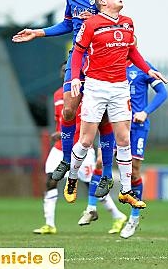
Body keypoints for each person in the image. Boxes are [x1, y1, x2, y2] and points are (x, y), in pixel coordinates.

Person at [12, 0, 116, 191]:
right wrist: (38, 33)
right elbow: (68, 24)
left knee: (105, 120)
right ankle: (67, 160)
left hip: (101, 60)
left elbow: (116, 25)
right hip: (77, 58)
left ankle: (107, 174)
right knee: (68, 110)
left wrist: (99, 21)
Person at [64, 0, 168, 210]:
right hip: (96, 86)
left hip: (119, 88)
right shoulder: (91, 24)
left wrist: (148, 71)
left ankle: (126, 190)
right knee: (85, 140)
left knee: (123, 140)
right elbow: (78, 52)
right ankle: (72, 178)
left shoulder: (128, 22)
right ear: (102, 3)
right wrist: (74, 78)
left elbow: (132, 53)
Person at [33, 62, 122, 234]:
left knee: (92, 187)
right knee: (51, 180)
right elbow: (62, 121)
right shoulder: (58, 95)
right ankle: (49, 224)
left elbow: (90, 123)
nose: (65, 71)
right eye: (64, 69)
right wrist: (58, 133)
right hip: (60, 148)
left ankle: (117, 216)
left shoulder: (89, 95)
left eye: (69, 68)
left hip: (82, 148)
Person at [119, 38, 168, 238]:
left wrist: (145, 112)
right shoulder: (112, 67)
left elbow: (162, 93)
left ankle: (134, 217)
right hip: (118, 125)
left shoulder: (144, 67)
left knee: (134, 170)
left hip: (138, 126)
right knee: (105, 162)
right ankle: (94, 206)